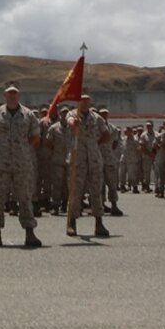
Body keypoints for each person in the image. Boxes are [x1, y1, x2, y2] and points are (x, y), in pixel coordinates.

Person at [0, 83, 42, 248]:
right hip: (0, 164)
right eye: (9, 93)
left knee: (25, 197)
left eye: (15, 93)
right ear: (4, 95)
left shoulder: (28, 115)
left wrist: (23, 146)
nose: (12, 96)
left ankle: (30, 233)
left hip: (21, 163)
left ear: (19, 95)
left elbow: (36, 136)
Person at [64, 95, 110, 237]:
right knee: (75, 192)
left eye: (87, 100)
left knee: (96, 192)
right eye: (82, 100)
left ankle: (99, 222)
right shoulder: (72, 113)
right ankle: (72, 222)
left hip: (94, 159)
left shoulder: (96, 118)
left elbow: (106, 134)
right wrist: (74, 123)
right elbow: (70, 121)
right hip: (78, 159)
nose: (85, 102)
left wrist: (94, 145)